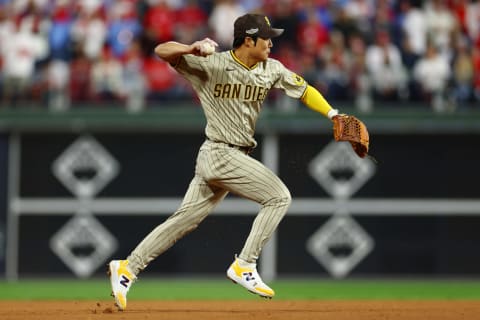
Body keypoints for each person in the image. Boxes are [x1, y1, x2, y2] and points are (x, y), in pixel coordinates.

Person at [108, 13, 346, 311]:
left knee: (184, 220)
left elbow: (305, 90)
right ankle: (244, 264)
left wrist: (333, 115)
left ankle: (128, 267)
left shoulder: (271, 68)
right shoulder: (213, 63)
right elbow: (161, 51)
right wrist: (190, 48)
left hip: (228, 156)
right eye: (266, 37)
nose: (271, 42)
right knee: (278, 197)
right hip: (220, 152)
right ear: (248, 40)